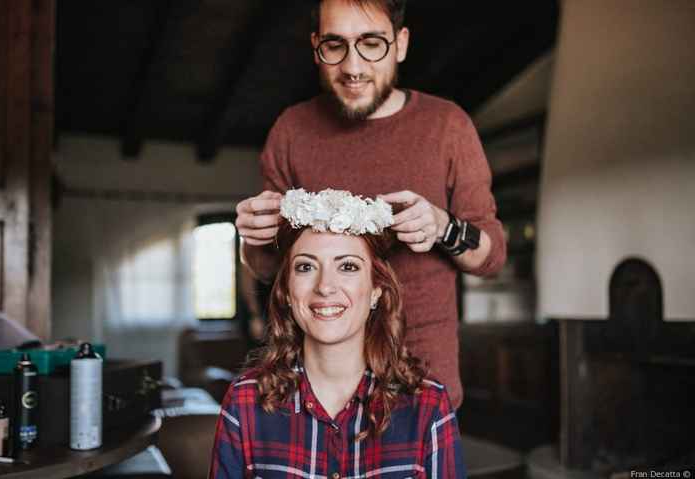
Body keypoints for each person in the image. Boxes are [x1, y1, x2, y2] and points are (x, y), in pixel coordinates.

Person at [235, 0, 506, 408]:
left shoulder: (448, 125)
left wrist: (443, 226)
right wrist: (255, 238)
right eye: (335, 45)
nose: (353, 67)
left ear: (400, 43)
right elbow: (271, 267)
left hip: (423, 381)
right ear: (316, 47)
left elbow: (492, 257)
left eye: (372, 44)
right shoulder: (291, 130)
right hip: (315, 385)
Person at [211, 189, 466, 478]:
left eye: (347, 266)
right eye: (306, 267)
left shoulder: (428, 405)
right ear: (286, 292)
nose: (325, 287)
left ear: (376, 291)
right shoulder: (244, 401)